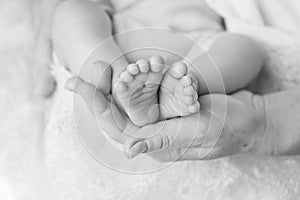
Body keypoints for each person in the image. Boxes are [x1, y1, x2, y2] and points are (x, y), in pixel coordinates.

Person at [51, 0, 263, 127]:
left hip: (194, 47)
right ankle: (113, 82)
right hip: (121, 35)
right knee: (70, 11)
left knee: (246, 48)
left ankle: (178, 89)